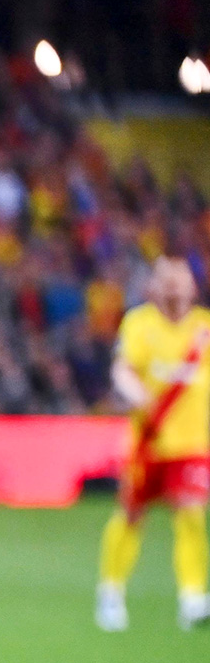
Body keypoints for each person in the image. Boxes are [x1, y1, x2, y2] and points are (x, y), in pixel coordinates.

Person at [96, 257, 210, 631]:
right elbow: (122, 369)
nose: (176, 288)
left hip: (192, 443)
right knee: (131, 515)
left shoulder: (204, 329)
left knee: (191, 512)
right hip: (148, 442)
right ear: (154, 287)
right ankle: (111, 591)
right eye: (168, 281)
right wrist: (135, 393)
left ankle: (193, 597)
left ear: (193, 287)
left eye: (182, 281)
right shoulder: (140, 324)